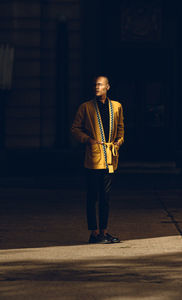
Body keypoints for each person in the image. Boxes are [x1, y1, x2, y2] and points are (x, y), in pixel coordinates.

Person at [71, 76, 124, 244]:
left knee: (105, 197)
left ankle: (104, 231)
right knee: (92, 196)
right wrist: (88, 140)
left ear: (108, 87)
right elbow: (75, 129)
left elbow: (121, 128)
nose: (96, 87)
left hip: (110, 158)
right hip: (93, 158)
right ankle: (94, 233)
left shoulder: (116, 106)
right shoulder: (85, 107)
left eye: (100, 84)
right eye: (94, 84)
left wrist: (118, 142)